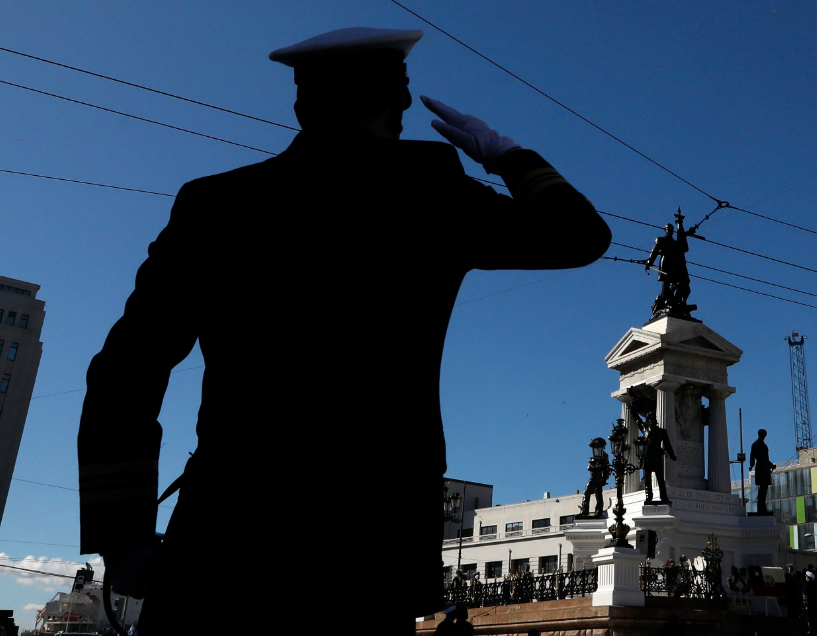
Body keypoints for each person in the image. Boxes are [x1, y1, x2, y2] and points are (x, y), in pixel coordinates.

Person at [78, 26, 611, 636]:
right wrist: (506, 153)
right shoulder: (430, 194)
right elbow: (580, 235)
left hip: (228, 529)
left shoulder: (216, 203)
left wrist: (122, 535)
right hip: (368, 542)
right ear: (399, 102)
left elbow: (126, 369)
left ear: (302, 106)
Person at [641, 416, 676, 504]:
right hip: (647, 456)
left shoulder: (661, 431)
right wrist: (633, 410)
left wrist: (672, 455)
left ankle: (664, 497)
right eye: (650, 420)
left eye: (653, 419)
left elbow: (667, 444)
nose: (652, 421)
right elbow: (638, 420)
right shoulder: (645, 429)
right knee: (647, 478)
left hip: (656, 456)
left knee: (660, 478)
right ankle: (649, 497)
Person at [749, 429, 776, 514]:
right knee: (763, 488)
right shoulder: (757, 444)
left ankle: (762, 506)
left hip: (765, 468)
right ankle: (761, 507)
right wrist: (751, 465)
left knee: (764, 488)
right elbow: (753, 456)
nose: (764, 436)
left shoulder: (761, 444)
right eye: (763, 435)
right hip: (761, 468)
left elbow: (765, 458)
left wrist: (771, 465)